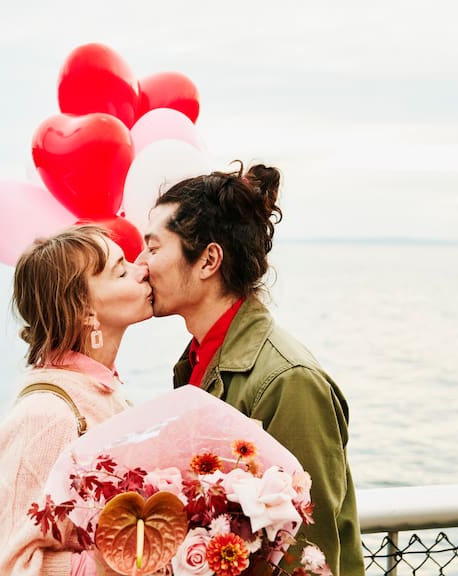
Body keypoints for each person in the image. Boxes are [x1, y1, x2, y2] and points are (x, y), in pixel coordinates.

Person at [136, 162, 365, 575]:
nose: (140, 265)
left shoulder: (288, 381)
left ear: (208, 260)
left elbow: (309, 554)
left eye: (153, 248)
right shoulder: (195, 361)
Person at [0, 224, 153, 576]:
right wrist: (109, 567)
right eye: (121, 270)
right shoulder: (48, 418)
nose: (143, 271)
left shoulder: (100, 391)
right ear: (85, 311)